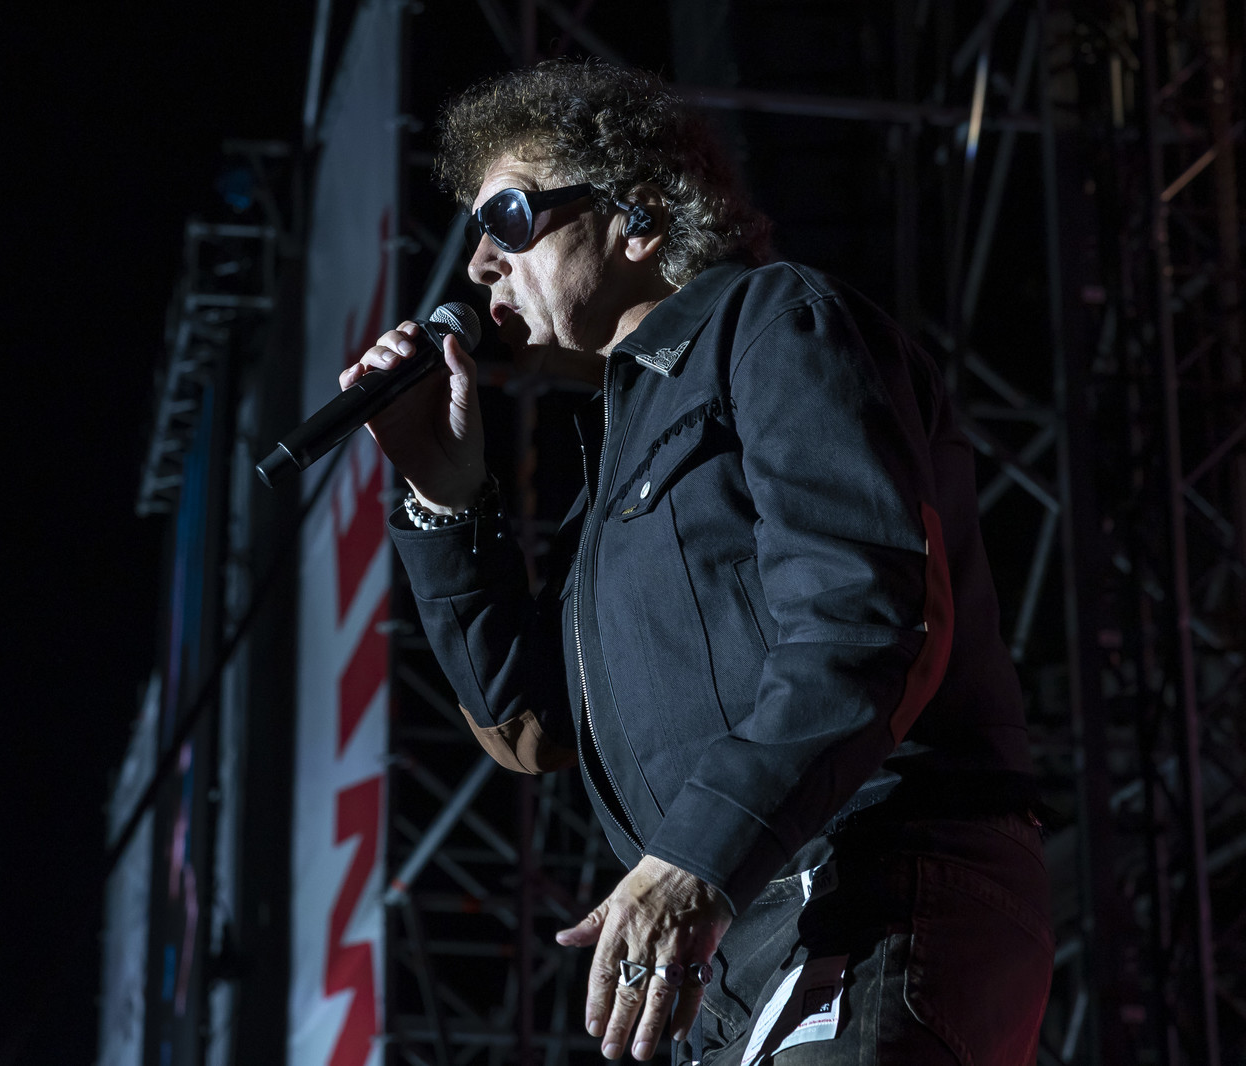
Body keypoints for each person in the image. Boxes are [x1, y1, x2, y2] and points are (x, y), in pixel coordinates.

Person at [342, 61, 1053, 1065]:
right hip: (734, 939)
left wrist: (696, 857)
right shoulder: (620, 456)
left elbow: (868, 619)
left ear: (637, 218)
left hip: (871, 877)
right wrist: (446, 497)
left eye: (507, 217)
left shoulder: (775, 321)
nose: (480, 265)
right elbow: (531, 727)